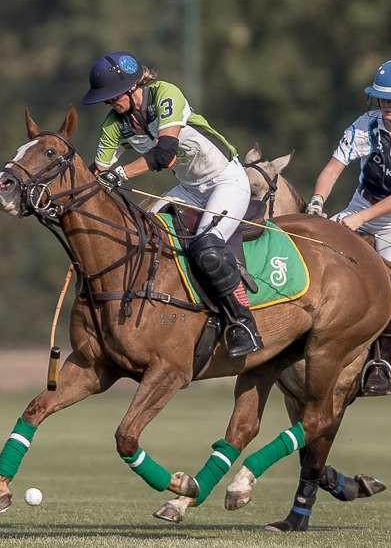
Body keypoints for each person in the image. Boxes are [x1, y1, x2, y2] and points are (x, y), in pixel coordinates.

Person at [81, 51, 263, 357]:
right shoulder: (113, 125)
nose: (109, 103)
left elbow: (165, 155)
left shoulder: (165, 94)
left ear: (131, 87)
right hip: (189, 189)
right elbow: (96, 173)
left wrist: (121, 174)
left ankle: (243, 323)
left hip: (225, 180)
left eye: (112, 97)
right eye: (106, 99)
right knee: (144, 236)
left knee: (206, 247)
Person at [306, 58, 391, 394]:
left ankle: (381, 360)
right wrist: (318, 203)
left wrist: (360, 219)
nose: (387, 106)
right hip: (359, 205)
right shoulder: (366, 124)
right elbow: (333, 168)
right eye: (383, 99)